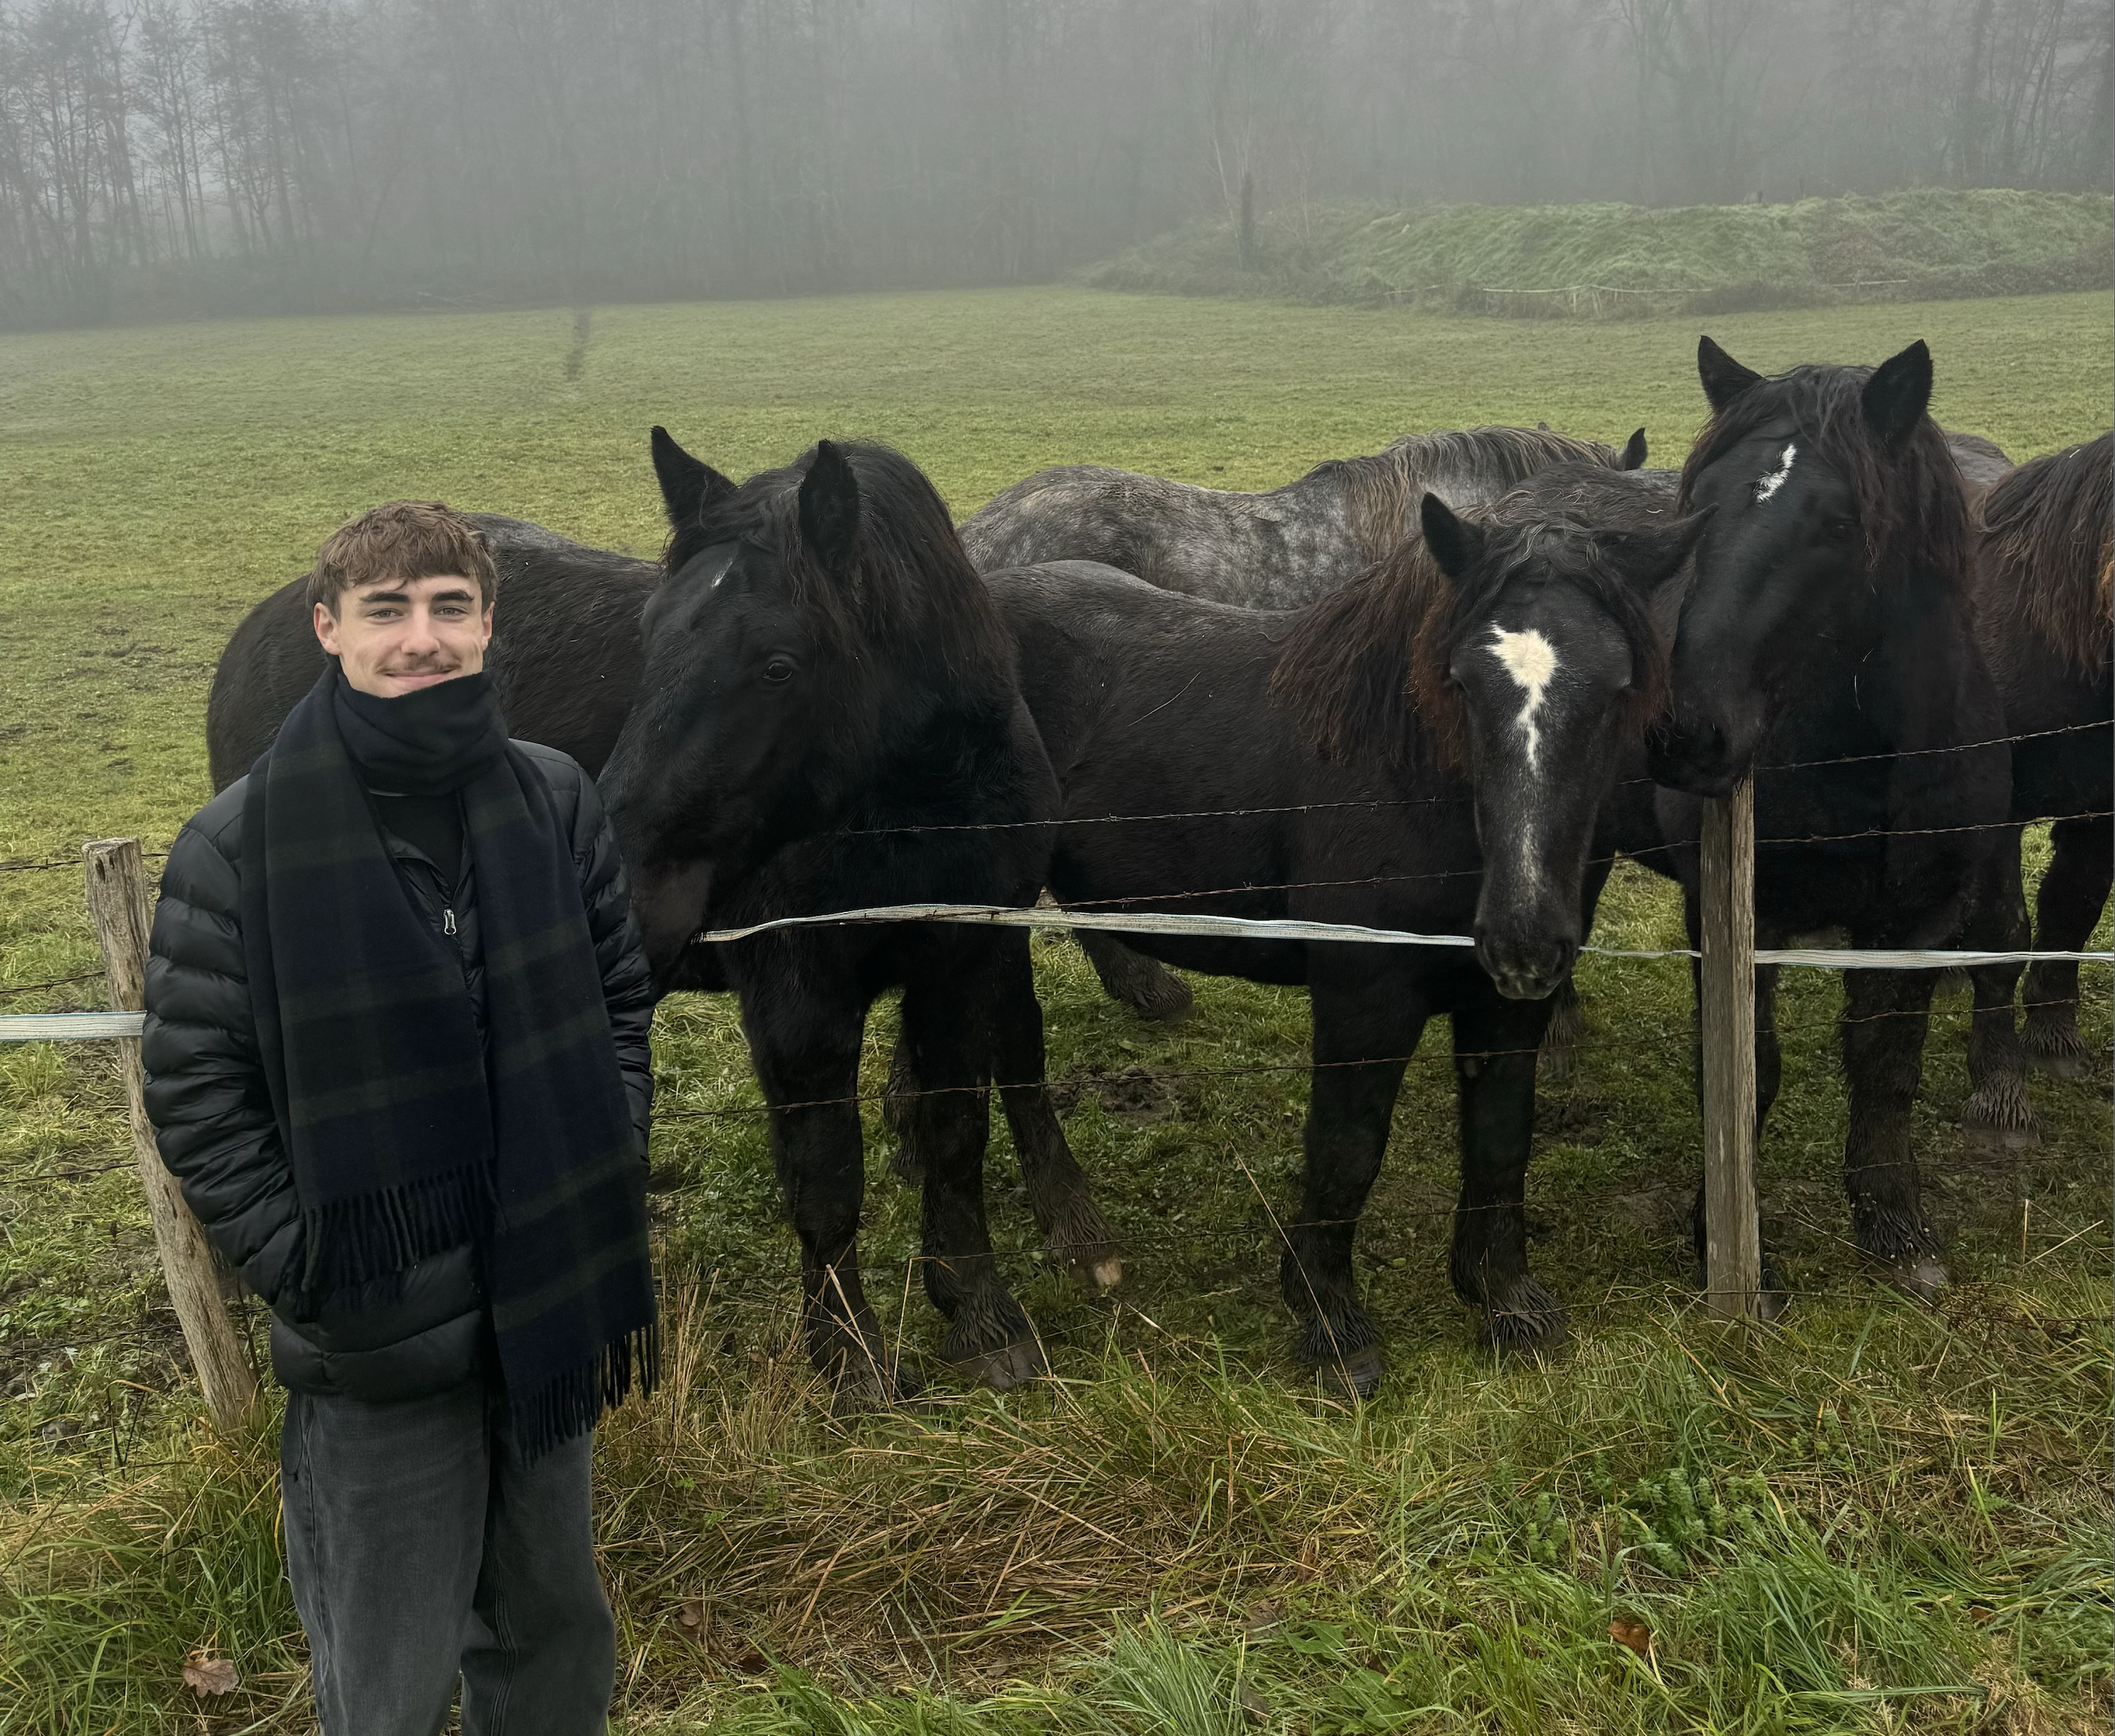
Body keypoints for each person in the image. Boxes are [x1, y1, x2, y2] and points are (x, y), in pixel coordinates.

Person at [143, 501, 657, 1735]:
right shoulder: (237, 847)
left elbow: (618, 1005)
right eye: (386, 611)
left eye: (447, 607)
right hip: (376, 1339)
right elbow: (197, 1094)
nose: (419, 638)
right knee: (385, 1676)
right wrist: (317, 1270)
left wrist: (600, 1165)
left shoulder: (555, 801)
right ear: (330, 630)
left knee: (553, 1642)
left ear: (485, 625)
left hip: (544, 1300)